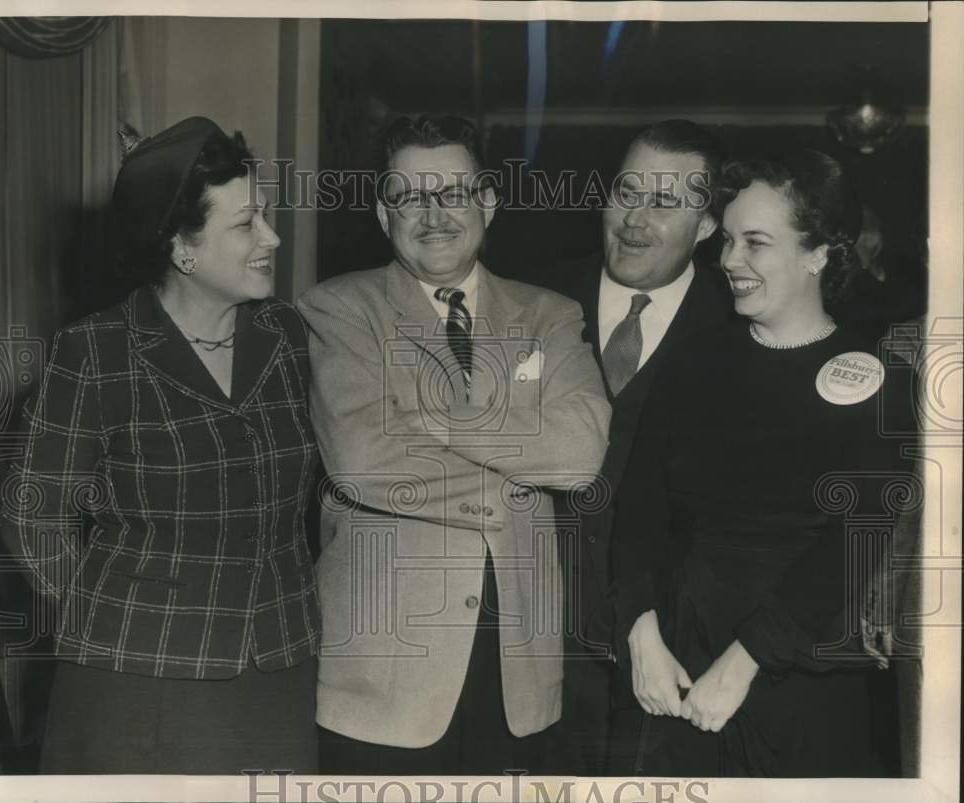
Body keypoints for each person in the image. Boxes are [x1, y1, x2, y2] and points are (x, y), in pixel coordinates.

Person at [0, 116, 322, 774]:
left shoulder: (287, 334)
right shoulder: (96, 349)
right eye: (245, 225)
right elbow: (33, 509)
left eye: (264, 215)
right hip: (140, 681)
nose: (273, 237)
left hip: (277, 671)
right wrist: (111, 614)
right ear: (182, 248)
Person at [298, 113, 610, 775]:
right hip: (385, 675)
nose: (432, 213)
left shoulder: (551, 314)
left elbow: (581, 454)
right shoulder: (337, 307)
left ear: (488, 203)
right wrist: (519, 470)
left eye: (452, 193)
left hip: (517, 675)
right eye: (409, 196)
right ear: (384, 215)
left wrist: (431, 420)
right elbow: (360, 460)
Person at [610, 148, 918, 777]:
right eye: (726, 241)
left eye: (755, 243)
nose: (728, 261)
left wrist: (743, 662)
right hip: (676, 668)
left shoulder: (882, 382)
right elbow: (638, 511)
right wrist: (642, 635)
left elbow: (850, 547)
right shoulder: (689, 364)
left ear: (819, 254)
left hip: (801, 677)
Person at [539, 120, 734, 775]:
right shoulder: (531, 303)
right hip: (536, 657)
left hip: (679, 668)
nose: (634, 219)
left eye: (666, 202)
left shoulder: (741, 330)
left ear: (708, 226)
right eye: (626, 191)